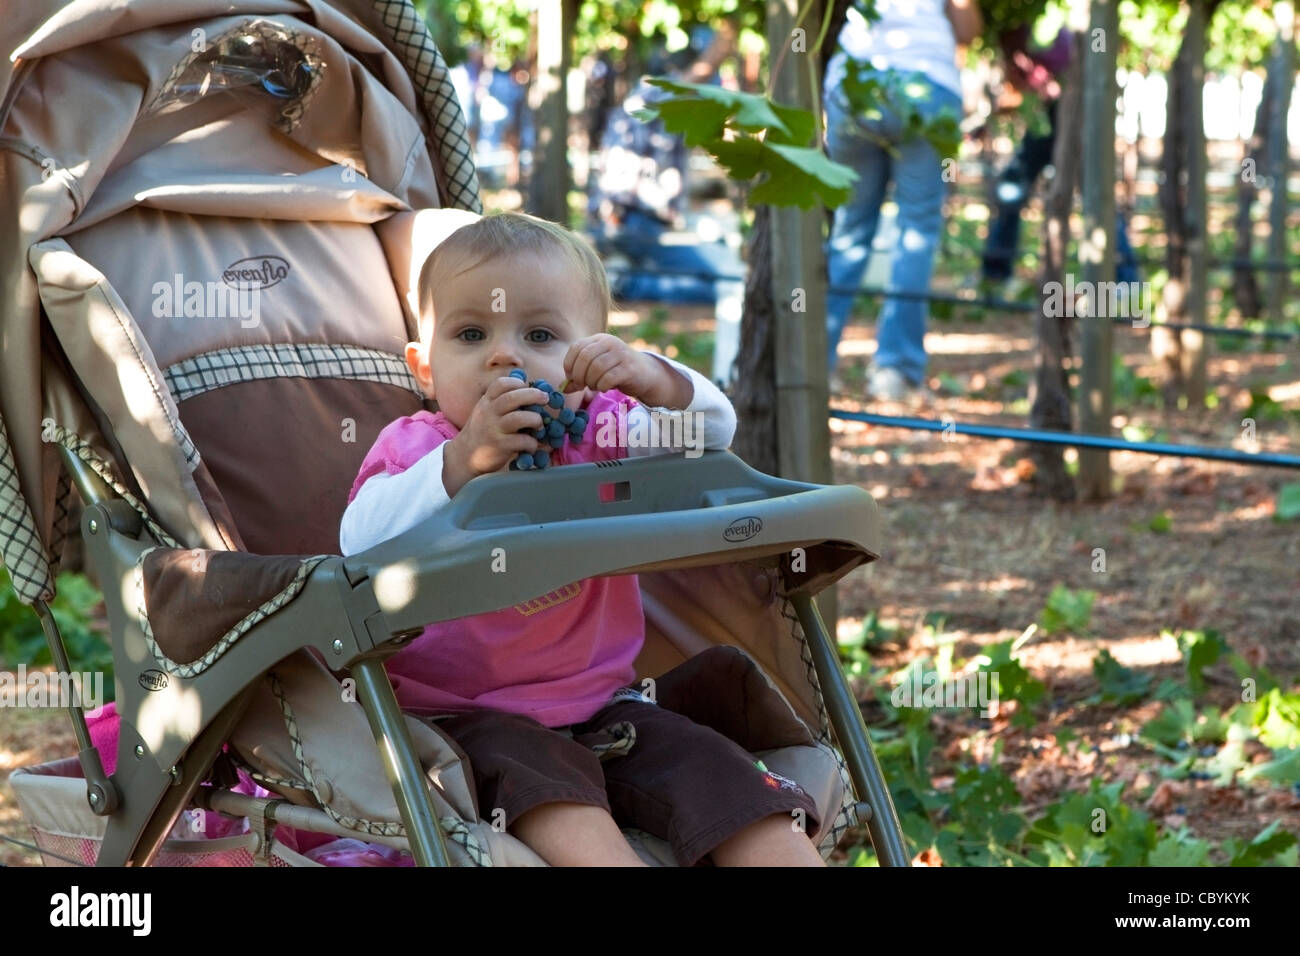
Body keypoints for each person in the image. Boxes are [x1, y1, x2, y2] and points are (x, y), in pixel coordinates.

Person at [338, 212, 824, 867]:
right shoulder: (418, 450)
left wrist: (655, 380)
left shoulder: (600, 434)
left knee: (723, 777)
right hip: (465, 719)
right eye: (470, 333)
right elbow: (358, 541)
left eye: (539, 333)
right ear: (425, 369)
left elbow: (709, 434)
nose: (503, 354)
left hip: (607, 703)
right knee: (556, 801)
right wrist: (463, 463)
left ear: (590, 356)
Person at [823, 0, 981, 400]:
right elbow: (968, 28)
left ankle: (814, 363)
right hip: (927, 85)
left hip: (853, 85)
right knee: (917, 230)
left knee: (848, 231)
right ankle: (895, 372)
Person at [980, 23, 1139, 291]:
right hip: (1051, 114)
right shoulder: (1020, 28)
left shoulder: (1050, 28)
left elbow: (1067, 73)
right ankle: (995, 274)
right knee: (1014, 188)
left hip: (1069, 112)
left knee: (1096, 197)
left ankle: (1125, 284)